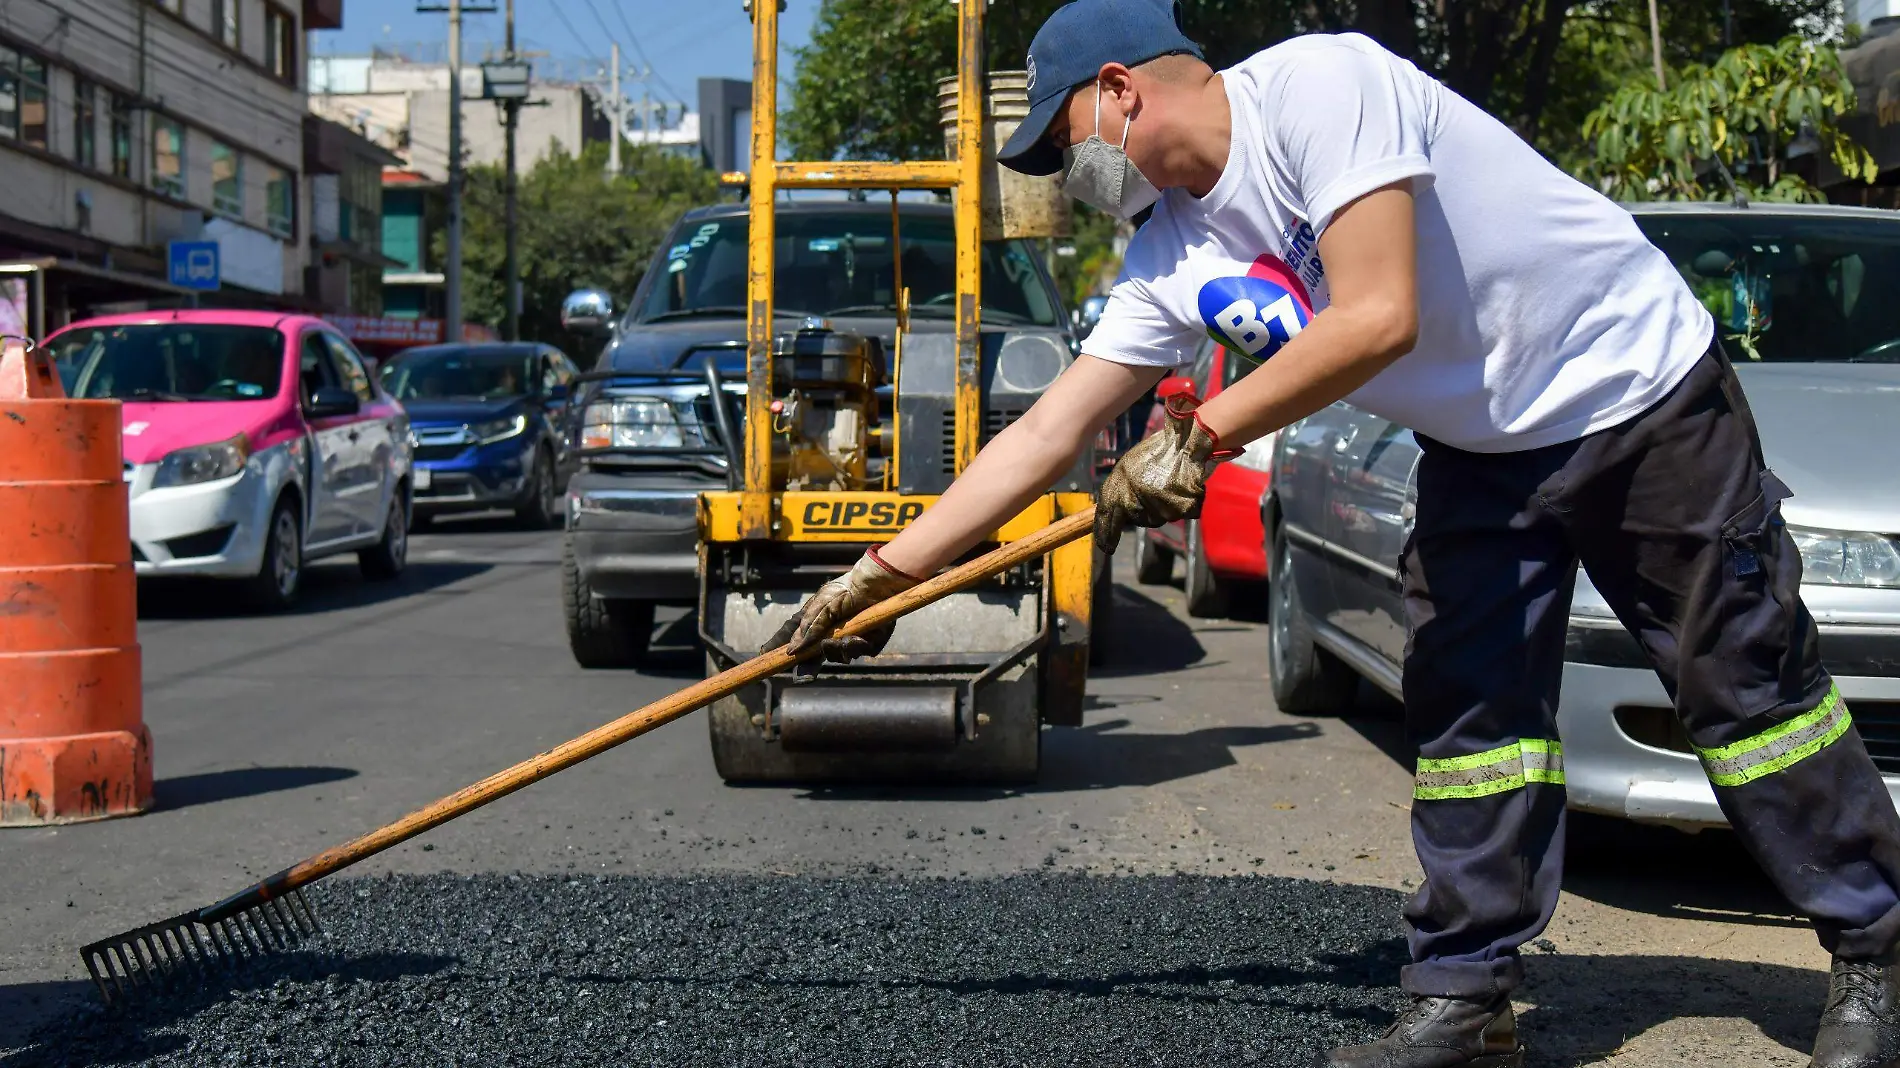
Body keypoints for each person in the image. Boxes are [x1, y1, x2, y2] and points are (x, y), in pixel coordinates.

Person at [766, 1, 1900, 1065]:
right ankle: (1464, 990)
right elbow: (1047, 435)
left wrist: (1199, 435)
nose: (1069, 179)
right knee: (1471, 710)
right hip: (1481, 448)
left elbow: (1376, 314)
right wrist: (877, 580)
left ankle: (1872, 949)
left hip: (1634, 393)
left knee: (1742, 688)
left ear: (1118, 92)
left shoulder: (1322, 86)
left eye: (1063, 144)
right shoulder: (1166, 260)